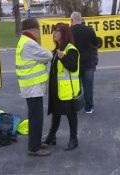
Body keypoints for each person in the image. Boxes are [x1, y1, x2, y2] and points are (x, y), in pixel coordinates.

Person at [15, 18, 53, 156]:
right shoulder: (29, 44)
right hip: (33, 86)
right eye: (38, 29)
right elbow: (48, 55)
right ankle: (34, 148)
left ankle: (35, 142)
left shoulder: (24, 41)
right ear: (31, 30)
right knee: (36, 117)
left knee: (34, 116)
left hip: (30, 86)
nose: (39, 32)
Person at [44, 23, 81, 151]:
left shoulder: (70, 49)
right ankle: (51, 136)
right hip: (56, 89)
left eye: (57, 31)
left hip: (67, 90)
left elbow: (73, 67)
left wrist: (63, 58)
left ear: (64, 33)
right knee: (56, 113)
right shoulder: (56, 50)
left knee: (71, 115)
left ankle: (73, 139)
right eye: (53, 31)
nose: (54, 33)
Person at [70, 11, 98, 114]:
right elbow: (95, 44)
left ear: (72, 20)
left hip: (74, 64)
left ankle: (75, 106)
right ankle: (88, 107)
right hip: (88, 63)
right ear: (81, 19)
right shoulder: (89, 30)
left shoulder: (69, 31)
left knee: (75, 87)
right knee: (88, 86)